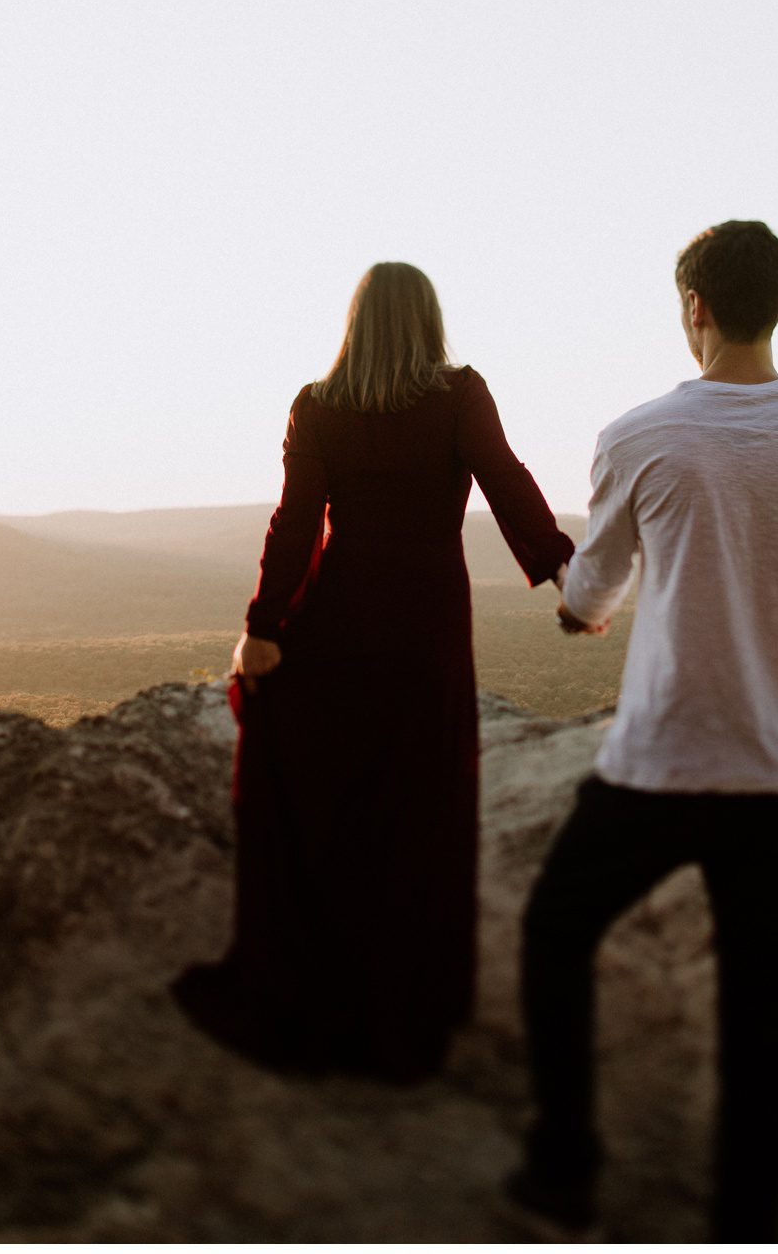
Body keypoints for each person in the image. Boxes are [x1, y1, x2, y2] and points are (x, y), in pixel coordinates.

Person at [508, 220, 778, 1241]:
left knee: (555, 929)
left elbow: (594, 589)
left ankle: (564, 1163)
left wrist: (578, 612)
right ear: (775, 303)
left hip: (659, 764)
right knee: (763, 1020)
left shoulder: (638, 435)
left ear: (695, 307)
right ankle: (745, 1223)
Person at [173, 261, 575, 1084]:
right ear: (428, 321)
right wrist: (567, 571)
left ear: (356, 324)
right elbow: (507, 480)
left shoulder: (317, 405)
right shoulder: (460, 395)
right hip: (427, 626)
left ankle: (315, 986)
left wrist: (262, 629)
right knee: (418, 810)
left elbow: (294, 523)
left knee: (331, 803)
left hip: (339, 619)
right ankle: (406, 1016)